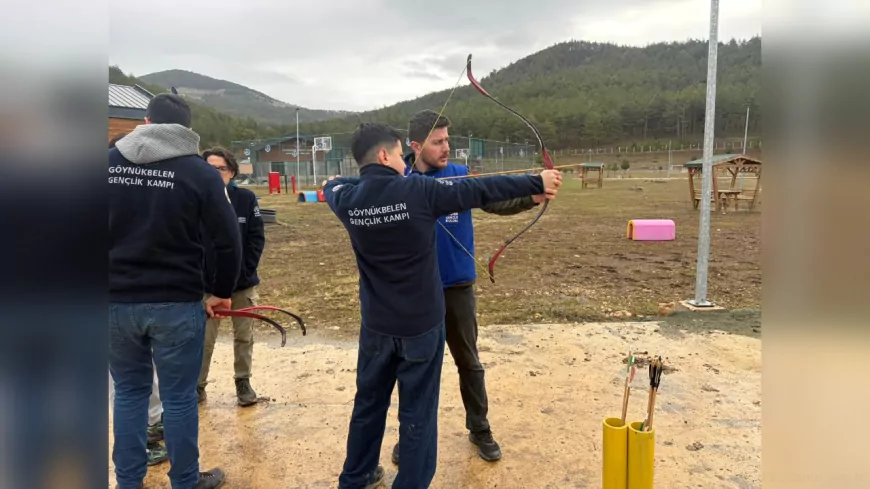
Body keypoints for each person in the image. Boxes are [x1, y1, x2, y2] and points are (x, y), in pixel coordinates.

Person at [323, 122, 561, 488]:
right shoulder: (419, 191)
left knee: (368, 406)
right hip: (420, 326)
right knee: (417, 413)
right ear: (385, 155)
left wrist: (361, 181)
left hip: (376, 327)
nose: (406, 164)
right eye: (399, 155)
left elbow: (334, 185)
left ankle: (354, 479)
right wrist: (536, 182)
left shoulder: (346, 200)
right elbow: (479, 189)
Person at [392, 110, 546, 463]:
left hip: (458, 287)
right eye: (438, 141)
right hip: (418, 292)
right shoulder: (400, 183)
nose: (447, 147)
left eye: (448, 140)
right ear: (415, 146)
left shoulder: (460, 176)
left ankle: (480, 429)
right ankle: (411, 435)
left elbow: (494, 200)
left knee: (469, 363)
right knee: (415, 368)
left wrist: (533, 196)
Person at [109, 92, 242, 489]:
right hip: (176, 302)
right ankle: (185, 480)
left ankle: (128, 481)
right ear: (186, 130)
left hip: (115, 302)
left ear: (146, 122)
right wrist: (220, 291)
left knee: (129, 393)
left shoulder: (107, 162)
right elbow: (228, 239)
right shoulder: (199, 172)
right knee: (179, 397)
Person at [197, 147, 266, 406]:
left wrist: (243, 273)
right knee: (203, 340)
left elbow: (256, 240)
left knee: (244, 336)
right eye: (209, 169)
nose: (215, 174)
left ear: (232, 172)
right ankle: (197, 385)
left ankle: (243, 382)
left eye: (221, 169)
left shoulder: (246, 199)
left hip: (242, 287)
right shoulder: (196, 200)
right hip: (207, 288)